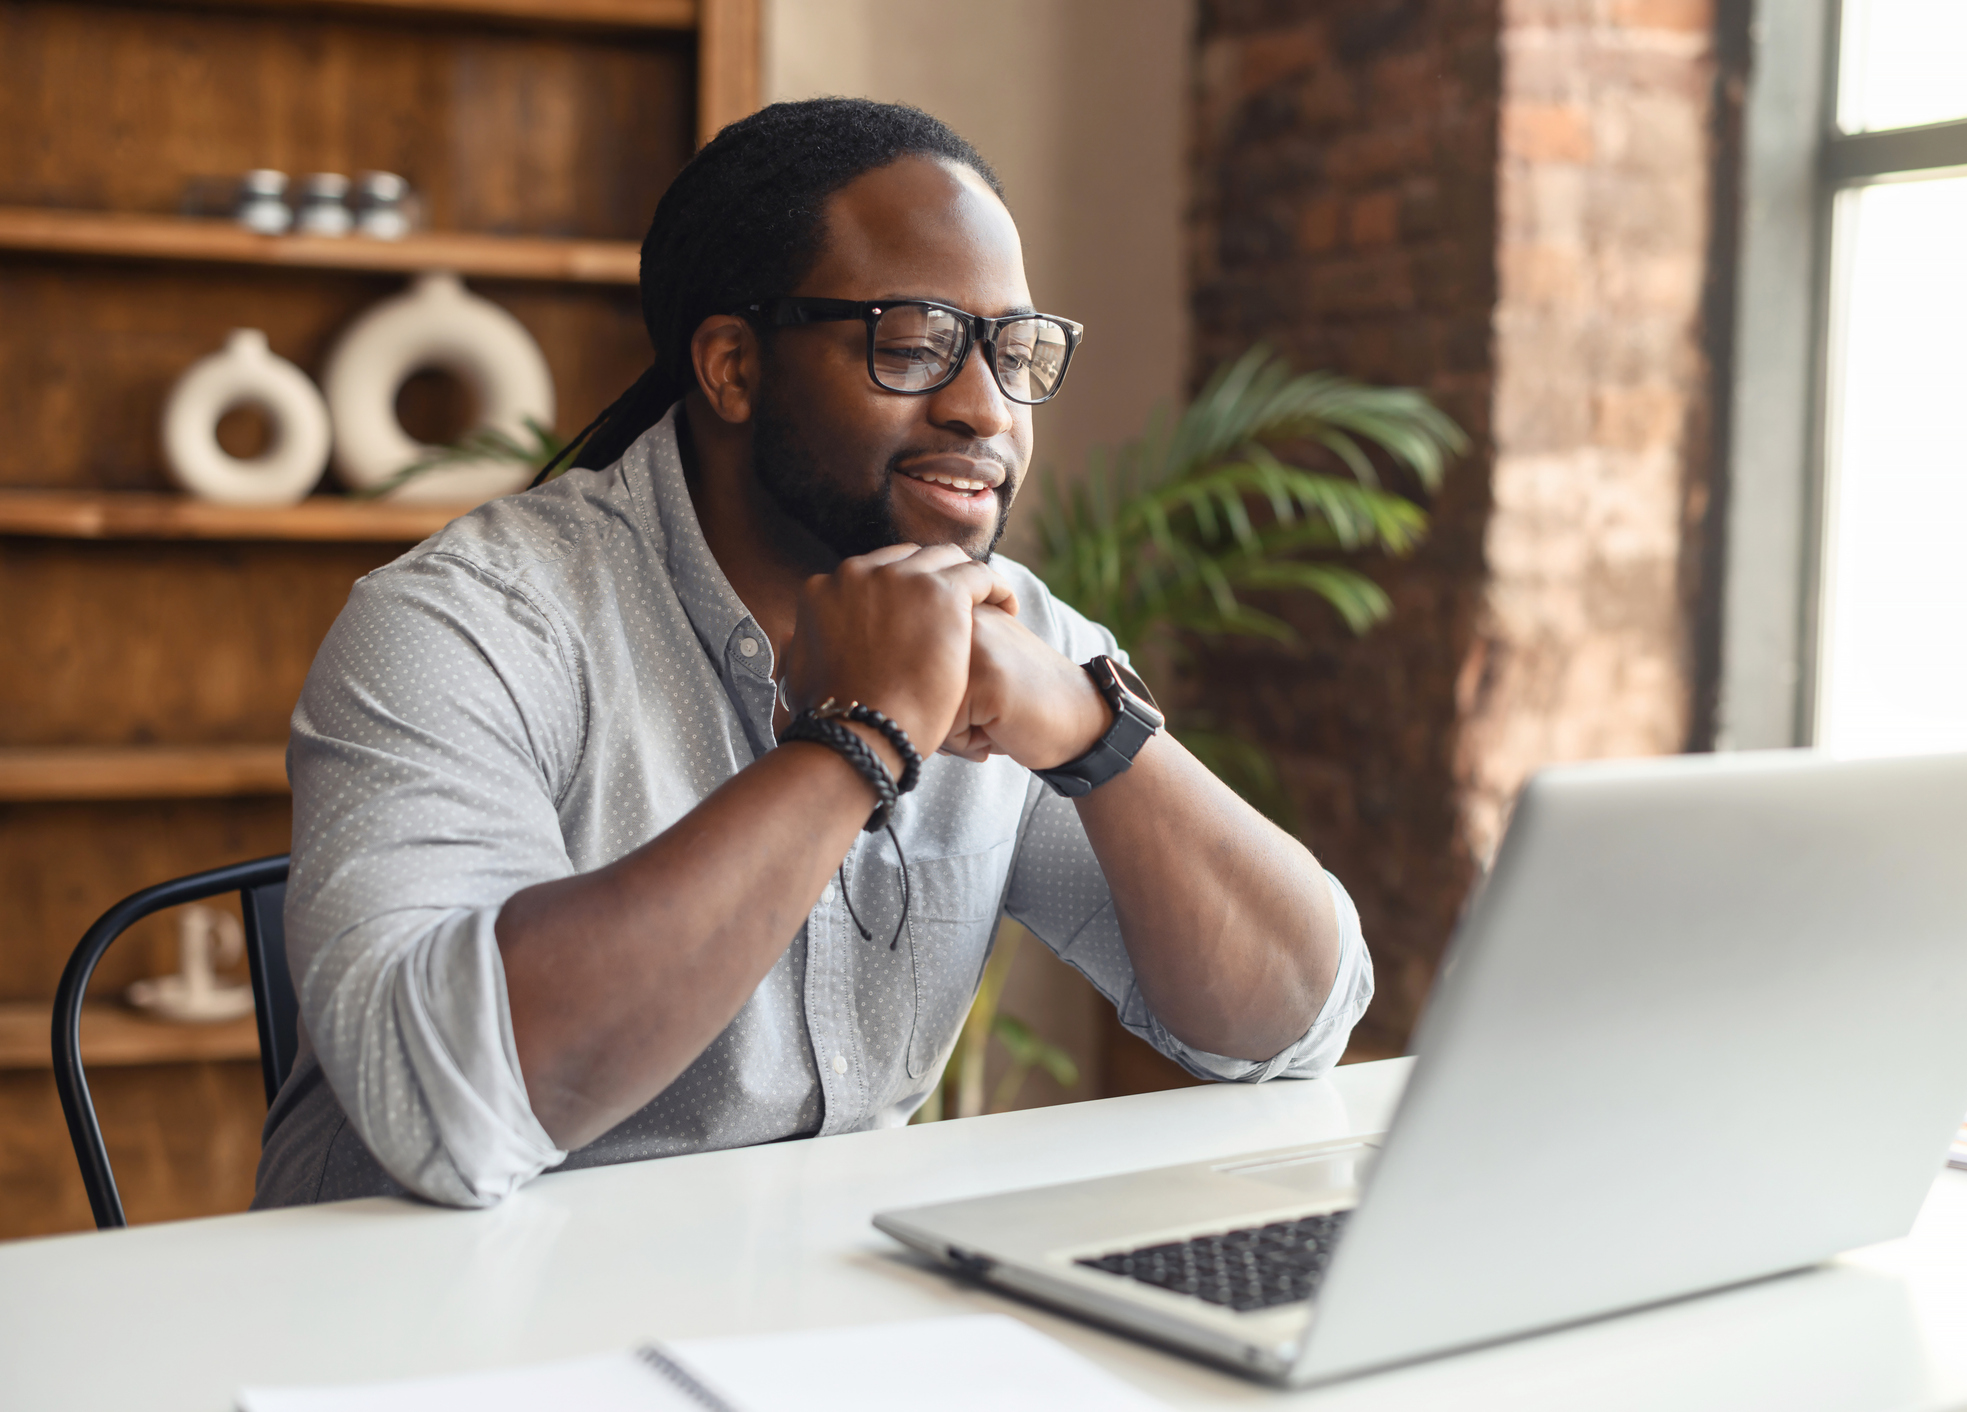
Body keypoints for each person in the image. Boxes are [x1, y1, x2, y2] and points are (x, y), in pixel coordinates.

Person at [254, 98, 1372, 1210]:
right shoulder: (466, 626)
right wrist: (856, 738)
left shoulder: (1005, 625)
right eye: (917, 342)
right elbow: (448, 1115)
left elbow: (1290, 1024)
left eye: (1012, 349)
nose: (987, 408)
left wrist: (1096, 730)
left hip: (808, 1321)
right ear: (734, 368)